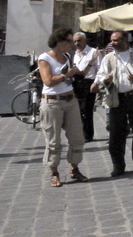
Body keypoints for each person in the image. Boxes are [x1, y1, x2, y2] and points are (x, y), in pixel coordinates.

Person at [92, 30, 133, 177]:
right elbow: (100, 74)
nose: (112, 43)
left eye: (115, 40)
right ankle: (118, 165)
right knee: (115, 134)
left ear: (125, 40)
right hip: (116, 98)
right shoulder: (108, 58)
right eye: (111, 41)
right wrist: (104, 80)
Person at [38, 28, 89, 187]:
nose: (71, 44)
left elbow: (76, 73)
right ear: (59, 42)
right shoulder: (45, 58)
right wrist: (66, 75)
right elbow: (48, 81)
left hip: (70, 100)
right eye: (68, 41)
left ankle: (75, 168)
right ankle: (54, 173)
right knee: (54, 141)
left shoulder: (67, 56)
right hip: (52, 103)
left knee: (77, 137)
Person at [72, 32, 100, 142]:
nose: (76, 43)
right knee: (78, 110)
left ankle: (88, 134)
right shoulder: (75, 54)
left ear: (84, 40)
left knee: (87, 109)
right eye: (75, 41)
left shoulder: (93, 52)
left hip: (89, 82)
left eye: (79, 40)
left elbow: (100, 69)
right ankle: (82, 133)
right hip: (77, 83)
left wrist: (96, 83)